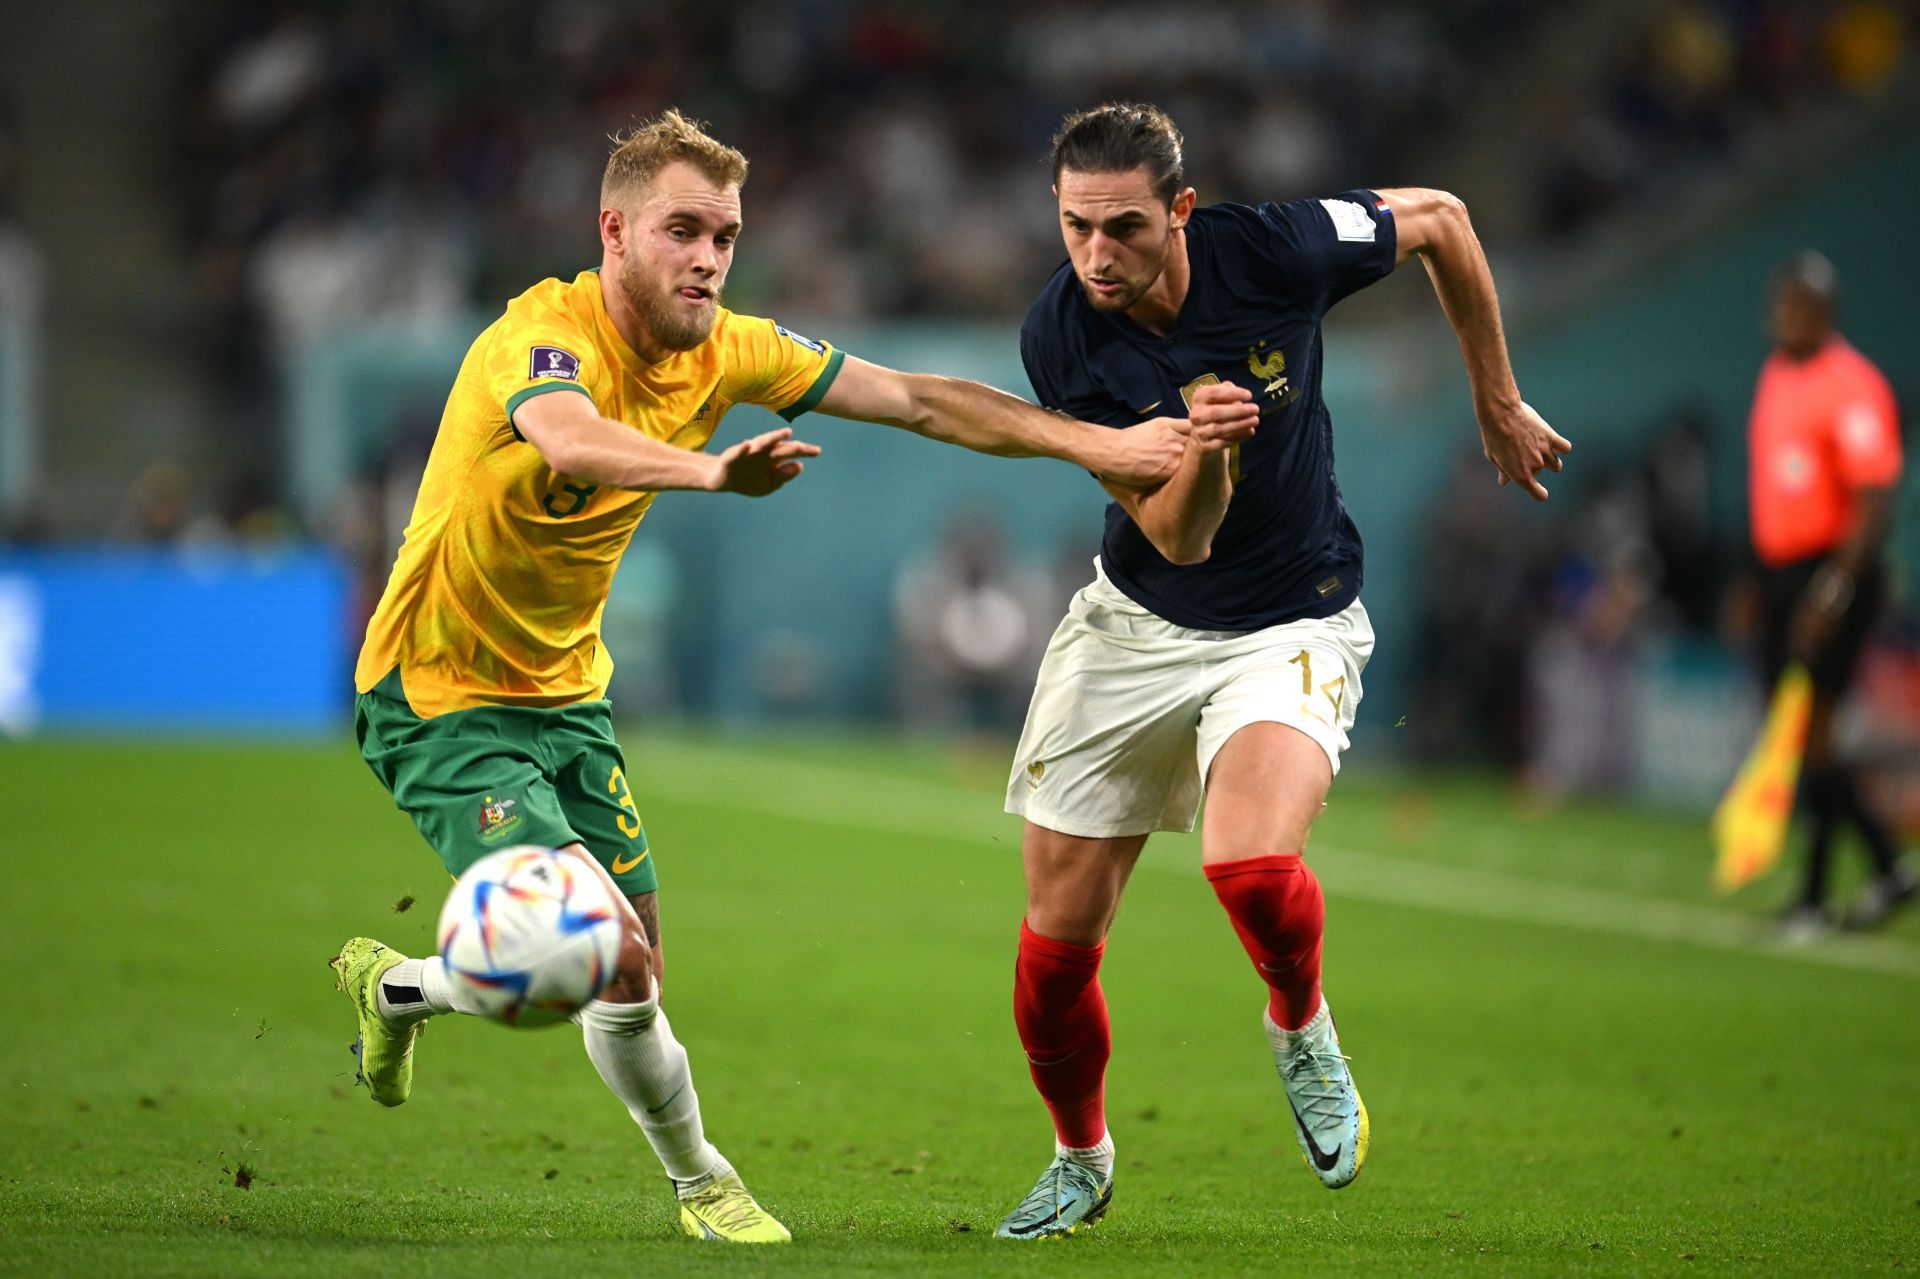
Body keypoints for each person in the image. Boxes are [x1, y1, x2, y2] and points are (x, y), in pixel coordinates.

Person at [329, 109, 1185, 1246]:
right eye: (683, 231)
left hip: (567, 694)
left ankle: (399, 991)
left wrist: (1098, 446)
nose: (708, 258)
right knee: (612, 952)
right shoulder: (539, 338)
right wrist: (707, 470)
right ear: (616, 230)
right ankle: (704, 1184)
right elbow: (572, 439)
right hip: (437, 692)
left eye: (725, 237)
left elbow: (918, 398)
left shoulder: (729, 347)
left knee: (630, 962)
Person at [995, 103, 1571, 1239]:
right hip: (1138, 621)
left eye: (1124, 228)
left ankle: (1301, 1028)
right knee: (1054, 951)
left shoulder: (1278, 248)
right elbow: (1174, 538)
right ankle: (1080, 1156)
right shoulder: (1062, 335)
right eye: (1075, 227)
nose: (1097, 256)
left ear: (1182, 211)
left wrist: (1494, 397)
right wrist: (1212, 451)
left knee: (1251, 866)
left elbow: (1446, 222)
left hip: (1291, 619)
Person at [1746, 251, 1912, 939]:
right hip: (1785, 571)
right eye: (1779, 305)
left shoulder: (1854, 385)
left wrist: (1833, 588)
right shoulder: (1779, 374)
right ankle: (1887, 868)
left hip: (1835, 571)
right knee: (1800, 730)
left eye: (1794, 306)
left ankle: (1816, 895)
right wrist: (1753, 579)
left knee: (1813, 730)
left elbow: (1874, 501)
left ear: (1822, 310)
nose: (1782, 317)